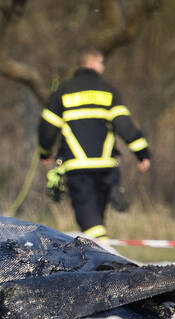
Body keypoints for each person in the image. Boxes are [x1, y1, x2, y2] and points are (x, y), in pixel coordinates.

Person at [38, 47, 150, 242]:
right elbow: (125, 125)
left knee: (89, 220)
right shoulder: (108, 91)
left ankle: (105, 252)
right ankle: (103, 249)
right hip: (106, 168)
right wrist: (142, 154)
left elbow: (47, 129)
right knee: (97, 218)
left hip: (78, 167)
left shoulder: (63, 92)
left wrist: (44, 152)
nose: (103, 67)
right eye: (101, 63)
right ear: (92, 63)